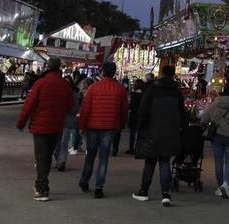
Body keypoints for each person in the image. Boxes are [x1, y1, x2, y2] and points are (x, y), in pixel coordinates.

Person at [17, 57, 76, 202]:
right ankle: (42, 183)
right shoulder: (65, 85)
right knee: (47, 156)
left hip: (40, 126)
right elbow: (71, 106)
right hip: (56, 126)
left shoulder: (40, 83)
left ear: (48, 67)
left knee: (41, 157)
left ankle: (42, 188)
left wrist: (21, 123)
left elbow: (29, 104)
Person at [132, 64, 186, 207]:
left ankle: (144, 191)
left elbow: (143, 111)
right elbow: (182, 113)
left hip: (152, 130)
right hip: (170, 132)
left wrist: (140, 128)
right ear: (173, 75)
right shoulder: (176, 92)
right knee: (164, 161)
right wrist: (181, 128)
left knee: (150, 161)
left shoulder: (152, 90)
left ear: (161, 73)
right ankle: (166, 194)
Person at [77, 61, 128, 199]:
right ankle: (99, 187)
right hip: (110, 127)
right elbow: (124, 109)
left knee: (90, 155)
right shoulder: (120, 89)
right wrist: (121, 123)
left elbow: (85, 109)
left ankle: (85, 180)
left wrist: (82, 126)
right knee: (103, 158)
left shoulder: (94, 88)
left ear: (103, 72)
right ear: (114, 72)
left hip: (93, 126)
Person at [54, 73, 84, 170]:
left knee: (64, 142)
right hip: (57, 121)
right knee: (56, 143)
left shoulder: (73, 95)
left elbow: (75, 109)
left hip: (67, 121)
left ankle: (62, 162)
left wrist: (66, 109)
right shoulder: (58, 93)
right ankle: (58, 159)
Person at [125, 79, 144, 154]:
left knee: (132, 133)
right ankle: (138, 148)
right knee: (139, 133)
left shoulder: (134, 95)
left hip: (134, 115)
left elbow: (130, 106)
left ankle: (131, 148)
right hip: (141, 115)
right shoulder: (144, 95)